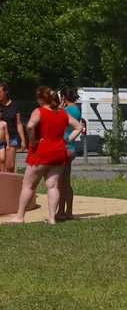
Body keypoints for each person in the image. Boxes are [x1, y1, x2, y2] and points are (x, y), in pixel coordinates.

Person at [6, 86, 82, 224]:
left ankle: (20, 216)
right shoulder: (62, 113)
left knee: (28, 185)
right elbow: (79, 127)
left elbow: (30, 126)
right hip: (59, 152)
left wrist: (32, 140)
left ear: (41, 99)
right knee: (53, 186)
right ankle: (52, 217)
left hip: (41, 152)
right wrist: (67, 140)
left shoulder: (39, 111)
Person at [58, 87, 83, 220]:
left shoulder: (66, 110)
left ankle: (61, 211)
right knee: (66, 182)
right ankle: (68, 211)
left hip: (65, 146)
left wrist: (58, 109)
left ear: (63, 97)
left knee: (60, 182)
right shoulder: (76, 109)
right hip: (71, 147)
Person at [0, 81, 25, 174]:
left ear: (6, 92)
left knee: (10, 165)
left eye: (0, 92)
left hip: (11, 138)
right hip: (0, 138)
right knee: (0, 164)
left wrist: (23, 140)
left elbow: (19, 124)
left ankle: (9, 183)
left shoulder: (14, 105)